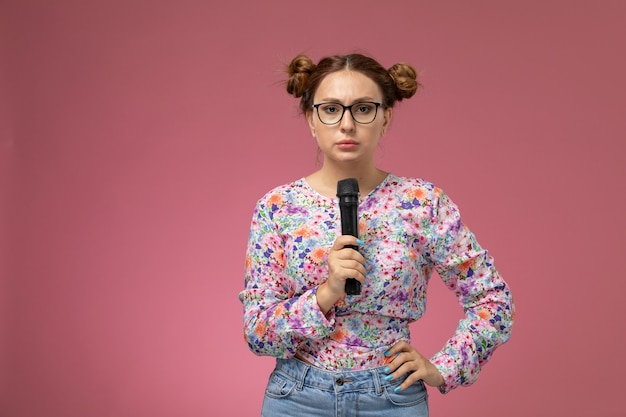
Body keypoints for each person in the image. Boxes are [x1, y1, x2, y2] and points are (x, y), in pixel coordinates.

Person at [238, 52, 514, 416]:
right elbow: (258, 332)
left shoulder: (421, 203)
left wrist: (443, 366)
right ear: (311, 120)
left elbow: (491, 299)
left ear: (385, 118)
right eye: (331, 109)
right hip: (297, 398)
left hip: (391, 398)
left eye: (364, 109)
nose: (347, 124)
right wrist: (326, 293)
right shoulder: (277, 207)